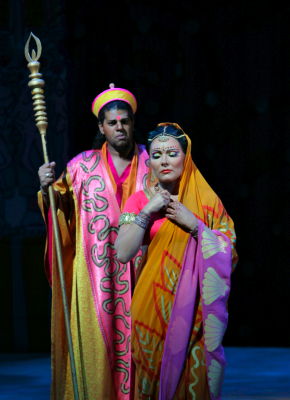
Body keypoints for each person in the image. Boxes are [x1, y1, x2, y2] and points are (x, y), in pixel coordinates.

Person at [38, 84, 149, 400]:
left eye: (124, 121)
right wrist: (48, 189)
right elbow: (59, 210)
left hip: (143, 274)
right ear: (101, 127)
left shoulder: (151, 161)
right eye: (112, 123)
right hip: (96, 279)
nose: (119, 128)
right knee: (98, 350)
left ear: (132, 123)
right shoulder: (80, 167)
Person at [115, 122, 238, 400]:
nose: (164, 161)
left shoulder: (205, 201)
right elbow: (122, 253)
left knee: (193, 383)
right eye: (156, 155)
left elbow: (228, 252)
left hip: (196, 315)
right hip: (151, 313)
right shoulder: (137, 201)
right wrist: (148, 210)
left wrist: (194, 224)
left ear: (186, 155)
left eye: (172, 153)